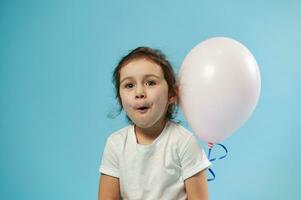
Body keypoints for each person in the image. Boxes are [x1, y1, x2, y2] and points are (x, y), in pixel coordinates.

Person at [98, 47, 211, 200]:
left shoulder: (184, 142)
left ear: (171, 94)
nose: (139, 93)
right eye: (129, 85)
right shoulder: (116, 144)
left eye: (150, 83)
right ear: (120, 98)